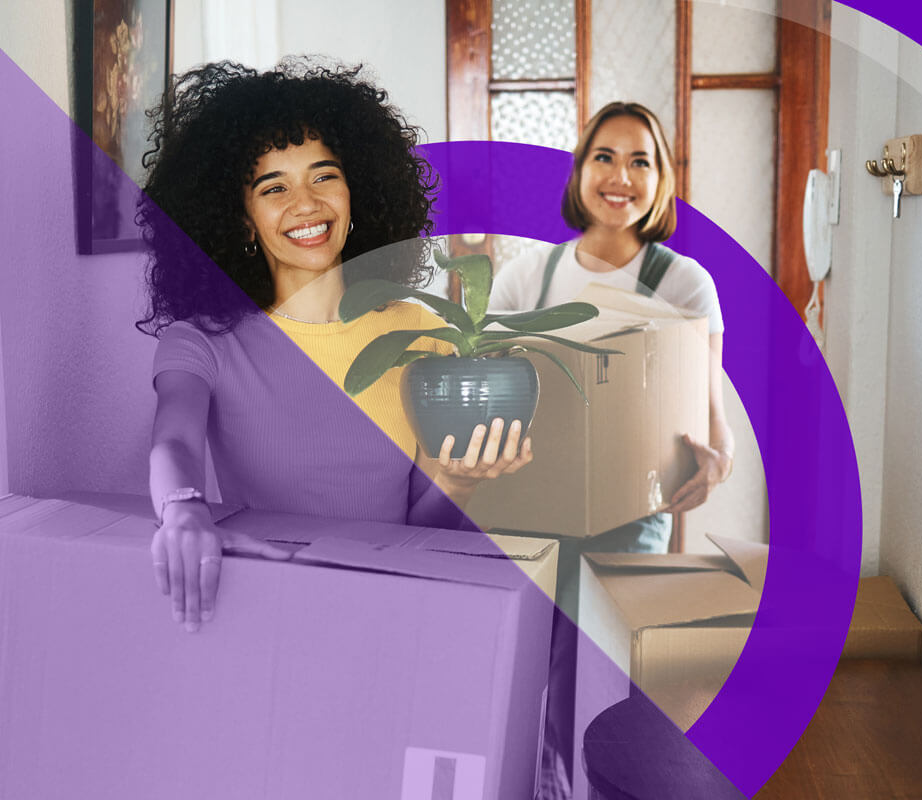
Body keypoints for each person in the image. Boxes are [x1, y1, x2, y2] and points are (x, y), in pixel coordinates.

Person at [137, 60, 532, 633]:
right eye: (274, 187)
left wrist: (461, 480)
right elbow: (172, 440)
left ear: (356, 191)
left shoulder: (418, 332)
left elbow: (421, 533)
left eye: (324, 176)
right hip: (268, 616)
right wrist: (182, 510)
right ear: (242, 220)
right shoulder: (202, 342)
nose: (307, 203)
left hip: (395, 618)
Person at [489, 101, 733, 798]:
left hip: (628, 518)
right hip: (527, 508)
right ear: (580, 170)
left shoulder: (684, 284)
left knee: (600, 682)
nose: (620, 175)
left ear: (661, 180)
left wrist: (715, 464)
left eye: (640, 160)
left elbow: (715, 426)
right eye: (605, 156)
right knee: (524, 672)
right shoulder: (525, 280)